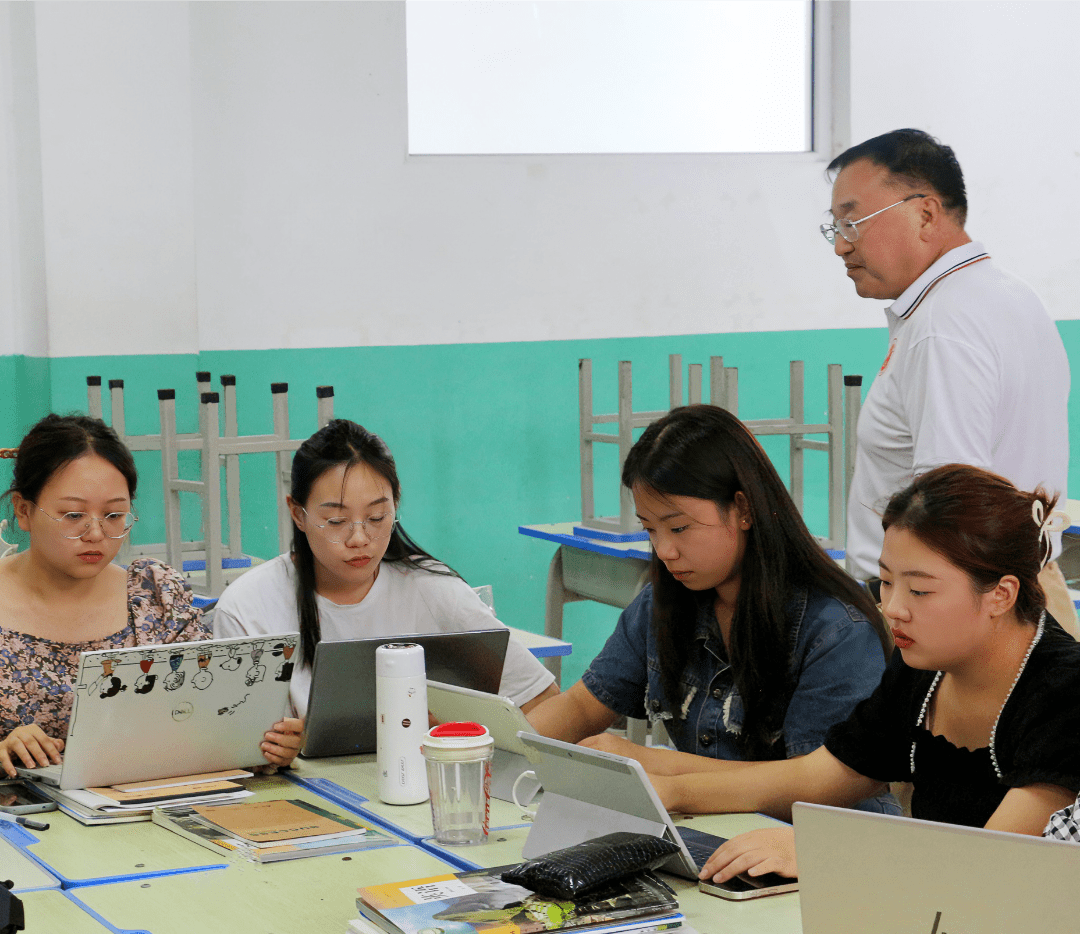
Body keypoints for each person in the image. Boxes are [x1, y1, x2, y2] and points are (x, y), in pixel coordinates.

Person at [693, 464, 1080, 885]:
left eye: (919, 591)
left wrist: (826, 851)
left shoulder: (1066, 687)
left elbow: (991, 860)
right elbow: (827, 774)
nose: (893, 607)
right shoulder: (925, 662)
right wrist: (666, 780)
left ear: (1001, 595)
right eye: (885, 581)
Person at [526, 405, 893, 808]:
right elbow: (582, 704)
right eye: (650, 529)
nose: (664, 550)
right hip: (713, 828)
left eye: (679, 527)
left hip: (817, 843)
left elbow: (817, 781)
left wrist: (661, 770)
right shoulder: (662, 604)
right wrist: (496, 742)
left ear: (743, 510)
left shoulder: (835, 629)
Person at [822, 128, 1075, 635]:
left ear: (925, 213)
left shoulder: (943, 324)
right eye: (834, 228)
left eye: (853, 222)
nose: (841, 247)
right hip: (1021, 591)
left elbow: (948, 511)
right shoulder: (1010, 296)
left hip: (956, 617)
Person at [0, 414, 303, 778]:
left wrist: (263, 745)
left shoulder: (154, 596)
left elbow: (209, 717)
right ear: (23, 510)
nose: (95, 532)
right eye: (73, 514)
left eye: (114, 514)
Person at [213, 419, 558, 719]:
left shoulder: (434, 592)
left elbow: (541, 698)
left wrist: (462, 737)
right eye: (336, 520)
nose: (359, 538)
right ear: (298, 514)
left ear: (396, 503)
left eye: (377, 517)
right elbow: (236, 740)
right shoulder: (248, 607)